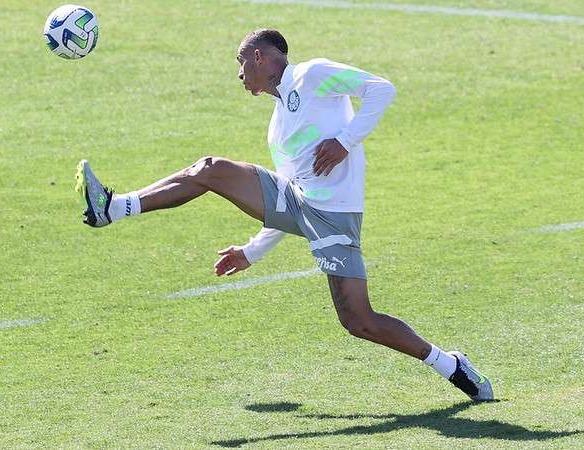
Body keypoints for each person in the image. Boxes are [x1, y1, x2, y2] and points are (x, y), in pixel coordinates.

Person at [75, 29, 493, 401]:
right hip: (297, 202)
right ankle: (114, 207)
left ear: (259, 56)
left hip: (335, 216)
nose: (239, 75)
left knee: (359, 321)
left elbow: (381, 88)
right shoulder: (276, 129)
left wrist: (346, 141)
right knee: (209, 169)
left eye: (240, 63)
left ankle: (449, 363)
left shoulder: (312, 74)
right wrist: (252, 252)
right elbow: (285, 193)